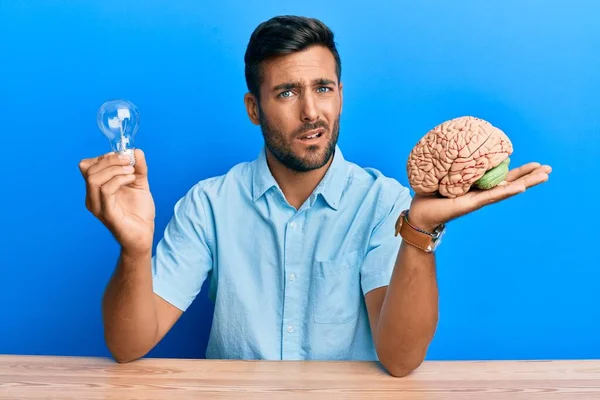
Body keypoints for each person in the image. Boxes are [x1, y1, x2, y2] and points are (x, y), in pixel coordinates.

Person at [78, 15, 551, 377]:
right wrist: (135, 251)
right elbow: (128, 345)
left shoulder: (385, 203)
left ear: (340, 95)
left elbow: (401, 360)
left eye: (322, 88)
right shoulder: (209, 204)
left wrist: (420, 228)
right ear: (254, 109)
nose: (311, 112)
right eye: (286, 93)